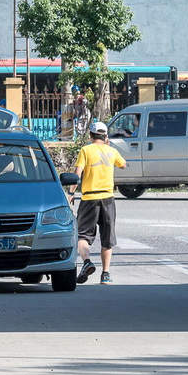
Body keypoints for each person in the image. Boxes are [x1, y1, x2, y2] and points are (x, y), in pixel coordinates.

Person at [68, 121, 126, 285]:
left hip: (89, 199)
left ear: (91, 136)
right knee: (107, 238)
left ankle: (87, 261)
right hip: (108, 199)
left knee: (82, 236)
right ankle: (105, 274)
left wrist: (71, 193)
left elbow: (77, 173)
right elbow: (123, 165)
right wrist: (109, 146)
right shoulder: (112, 151)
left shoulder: (86, 150)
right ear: (106, 136)